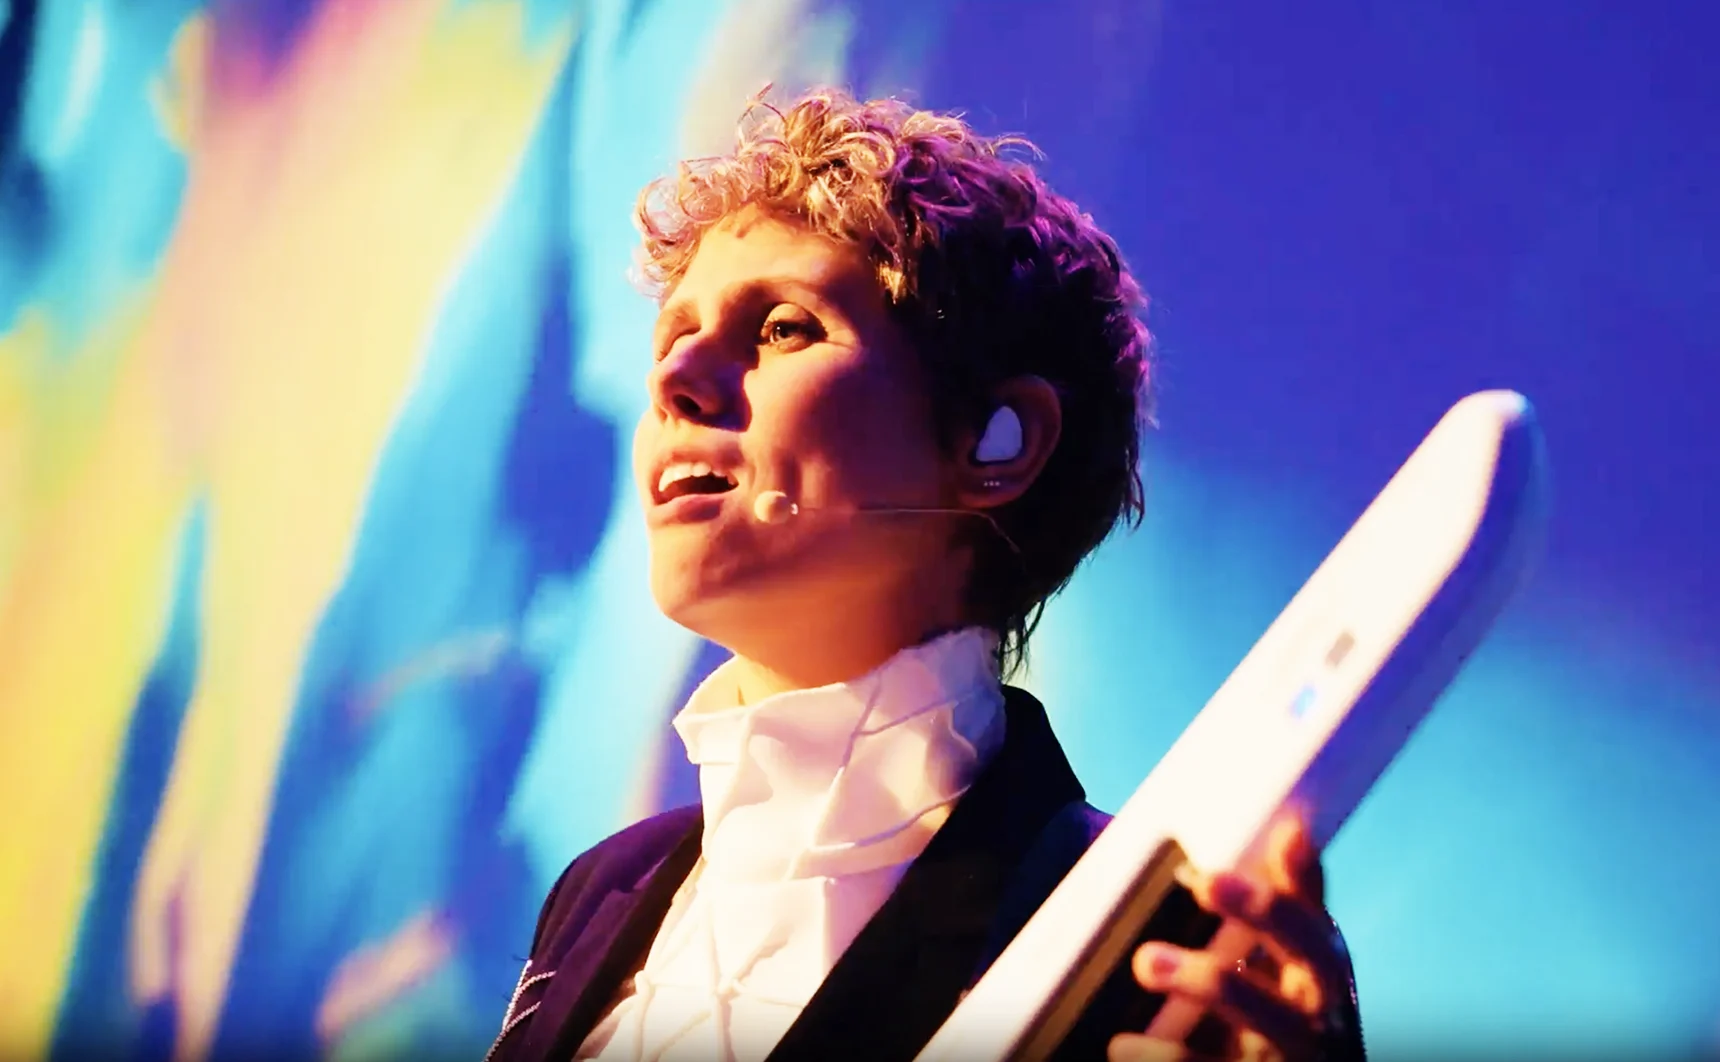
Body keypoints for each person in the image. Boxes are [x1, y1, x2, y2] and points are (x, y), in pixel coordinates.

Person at [487, 89, 1366, 1062]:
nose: (672, 380)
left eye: (781, 328)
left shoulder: (1152, 940)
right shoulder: (602, 890)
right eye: (671, 337)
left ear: (1000, 441)